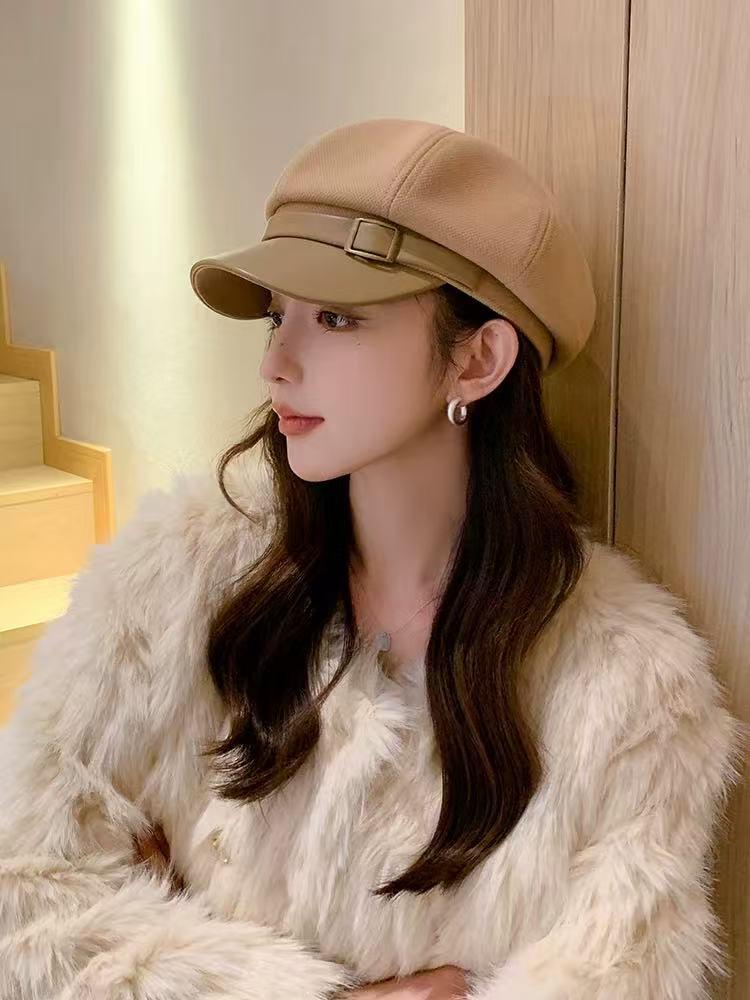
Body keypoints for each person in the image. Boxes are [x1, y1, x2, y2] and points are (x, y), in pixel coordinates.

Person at [0, 118, 745, 1000]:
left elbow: (625, 973)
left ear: (477, 359)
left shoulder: (630, 688)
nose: (277, 362)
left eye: (336, 317)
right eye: (278, 316)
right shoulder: (175, 581)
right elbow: (26, 895)